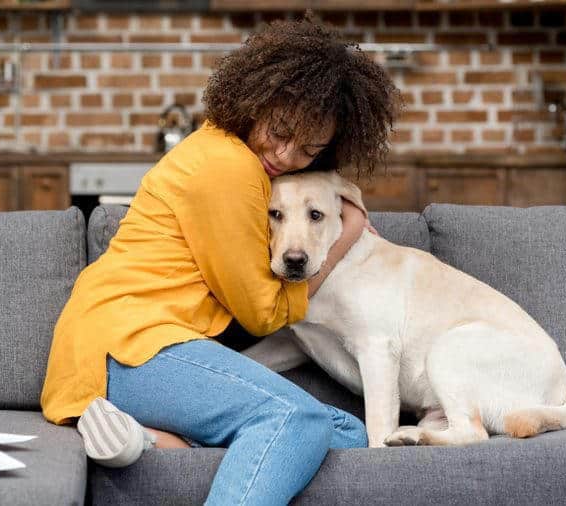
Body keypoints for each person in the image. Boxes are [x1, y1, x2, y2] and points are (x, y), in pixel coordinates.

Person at [40, 12, 401, 506]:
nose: (286, 154)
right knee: (296, 418)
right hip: (130, 345)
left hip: (144, 349)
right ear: (256, 99)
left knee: (347, 432)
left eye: (308, 149)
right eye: (279, 131)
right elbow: (262, 312)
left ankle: (151, 438)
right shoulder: (227, 168)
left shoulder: (230, 155)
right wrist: (348, 233)